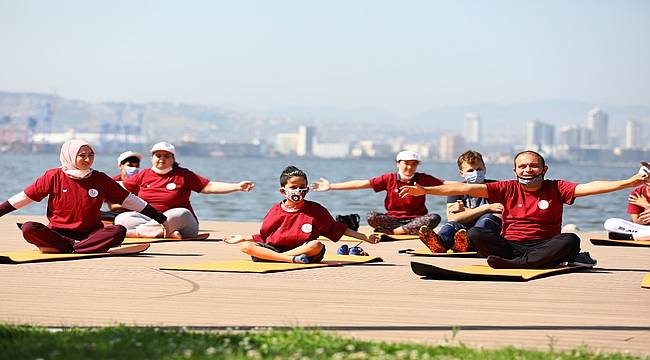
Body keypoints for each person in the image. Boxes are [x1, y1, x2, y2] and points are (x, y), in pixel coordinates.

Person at [399, 150, 649, 269]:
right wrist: (425, 191)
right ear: (515, 171)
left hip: (544, 244)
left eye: (533, 166)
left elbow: (591, 187)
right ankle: (520, 261)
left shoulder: (557, 187)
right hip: (511, 244)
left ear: (544, 169)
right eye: (523, 167)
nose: (528, 170)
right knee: (475, 235)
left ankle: (516, 263)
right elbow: (458, 186)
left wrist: (629, 182)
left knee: (571, 239)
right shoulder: (506, 188)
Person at [0, 139, 169, 253]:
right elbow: (23, 198)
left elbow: (129, 200)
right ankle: (78, 247)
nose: (88, 160)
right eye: (82, 156)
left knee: (118, 230)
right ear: (70, 156)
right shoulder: (53, 176)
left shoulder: (100, 178)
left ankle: (72, 247)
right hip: (58, 233)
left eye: (91, 155)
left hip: (91, 235)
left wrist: (159, 217)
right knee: (29, 228)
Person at [225, 166, 378, 263]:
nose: (298, 190)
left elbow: (337, 229)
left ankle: (285, 259)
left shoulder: (316, 210)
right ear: (283, 191)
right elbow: (265, 235)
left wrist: (366, 238)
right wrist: (243, 238)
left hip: (304, 251)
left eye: (302, 187)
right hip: (277, 250)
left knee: (316, 245)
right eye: (293, 187)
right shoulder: (275, 210)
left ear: (307, 189)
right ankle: (289, 260)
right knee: (245, 247)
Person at [115, 141, 255, 239]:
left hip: (183, 224)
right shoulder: (143, 175)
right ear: (152, 158)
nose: (162, 159)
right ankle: (161, 232)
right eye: (158, 155)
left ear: (173, 158)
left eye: (166, 156)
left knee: (180, 213)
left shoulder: (184, 175)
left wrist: (237, 186)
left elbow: (209, 187)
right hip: (150, 218)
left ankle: (137, 233)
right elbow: (118, 187)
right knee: (122, 218)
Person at [311, 150, 447, 235]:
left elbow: (446, 185)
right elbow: (361, 183)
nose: (410, 167)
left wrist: (468, 185)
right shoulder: (389, 178)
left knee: (434, 217)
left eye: (414, 164)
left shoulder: (423, 178)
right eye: (406, 163)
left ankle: (395, 232)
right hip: (393, 219)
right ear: (398, 164)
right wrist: (331, 186)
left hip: (416, 219)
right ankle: (405, 230)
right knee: (371, 216)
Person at [419, 150, 503, 253]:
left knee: (488, 219)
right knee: (451, 226)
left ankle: (466, 244)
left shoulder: (496, 187)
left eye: (479, 169)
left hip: (483, 234)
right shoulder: (456, 189)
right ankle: (440, 243)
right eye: (471, 171)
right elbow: (453, 218)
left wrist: (466, 212)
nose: (476, 173)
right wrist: (486, 208)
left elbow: (500, 214)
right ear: (461, 173)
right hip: (463, 231)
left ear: (485, 169)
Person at [603, 162, 650, 240]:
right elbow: (636, 222)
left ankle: (633, 237)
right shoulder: (637, 194)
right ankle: (643, 236)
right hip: (643, 229)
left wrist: (646, 206)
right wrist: (641, 221)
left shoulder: (641, 200)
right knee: (610, 223)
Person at [101, 151, 144, 220]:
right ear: (120, 166)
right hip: (116, 214)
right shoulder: (113, 182)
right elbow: (112, 206)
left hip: (138, 215)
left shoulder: (143, 182)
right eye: (130, 165)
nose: (134, 169)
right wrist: (135, 205)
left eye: (137, 166)